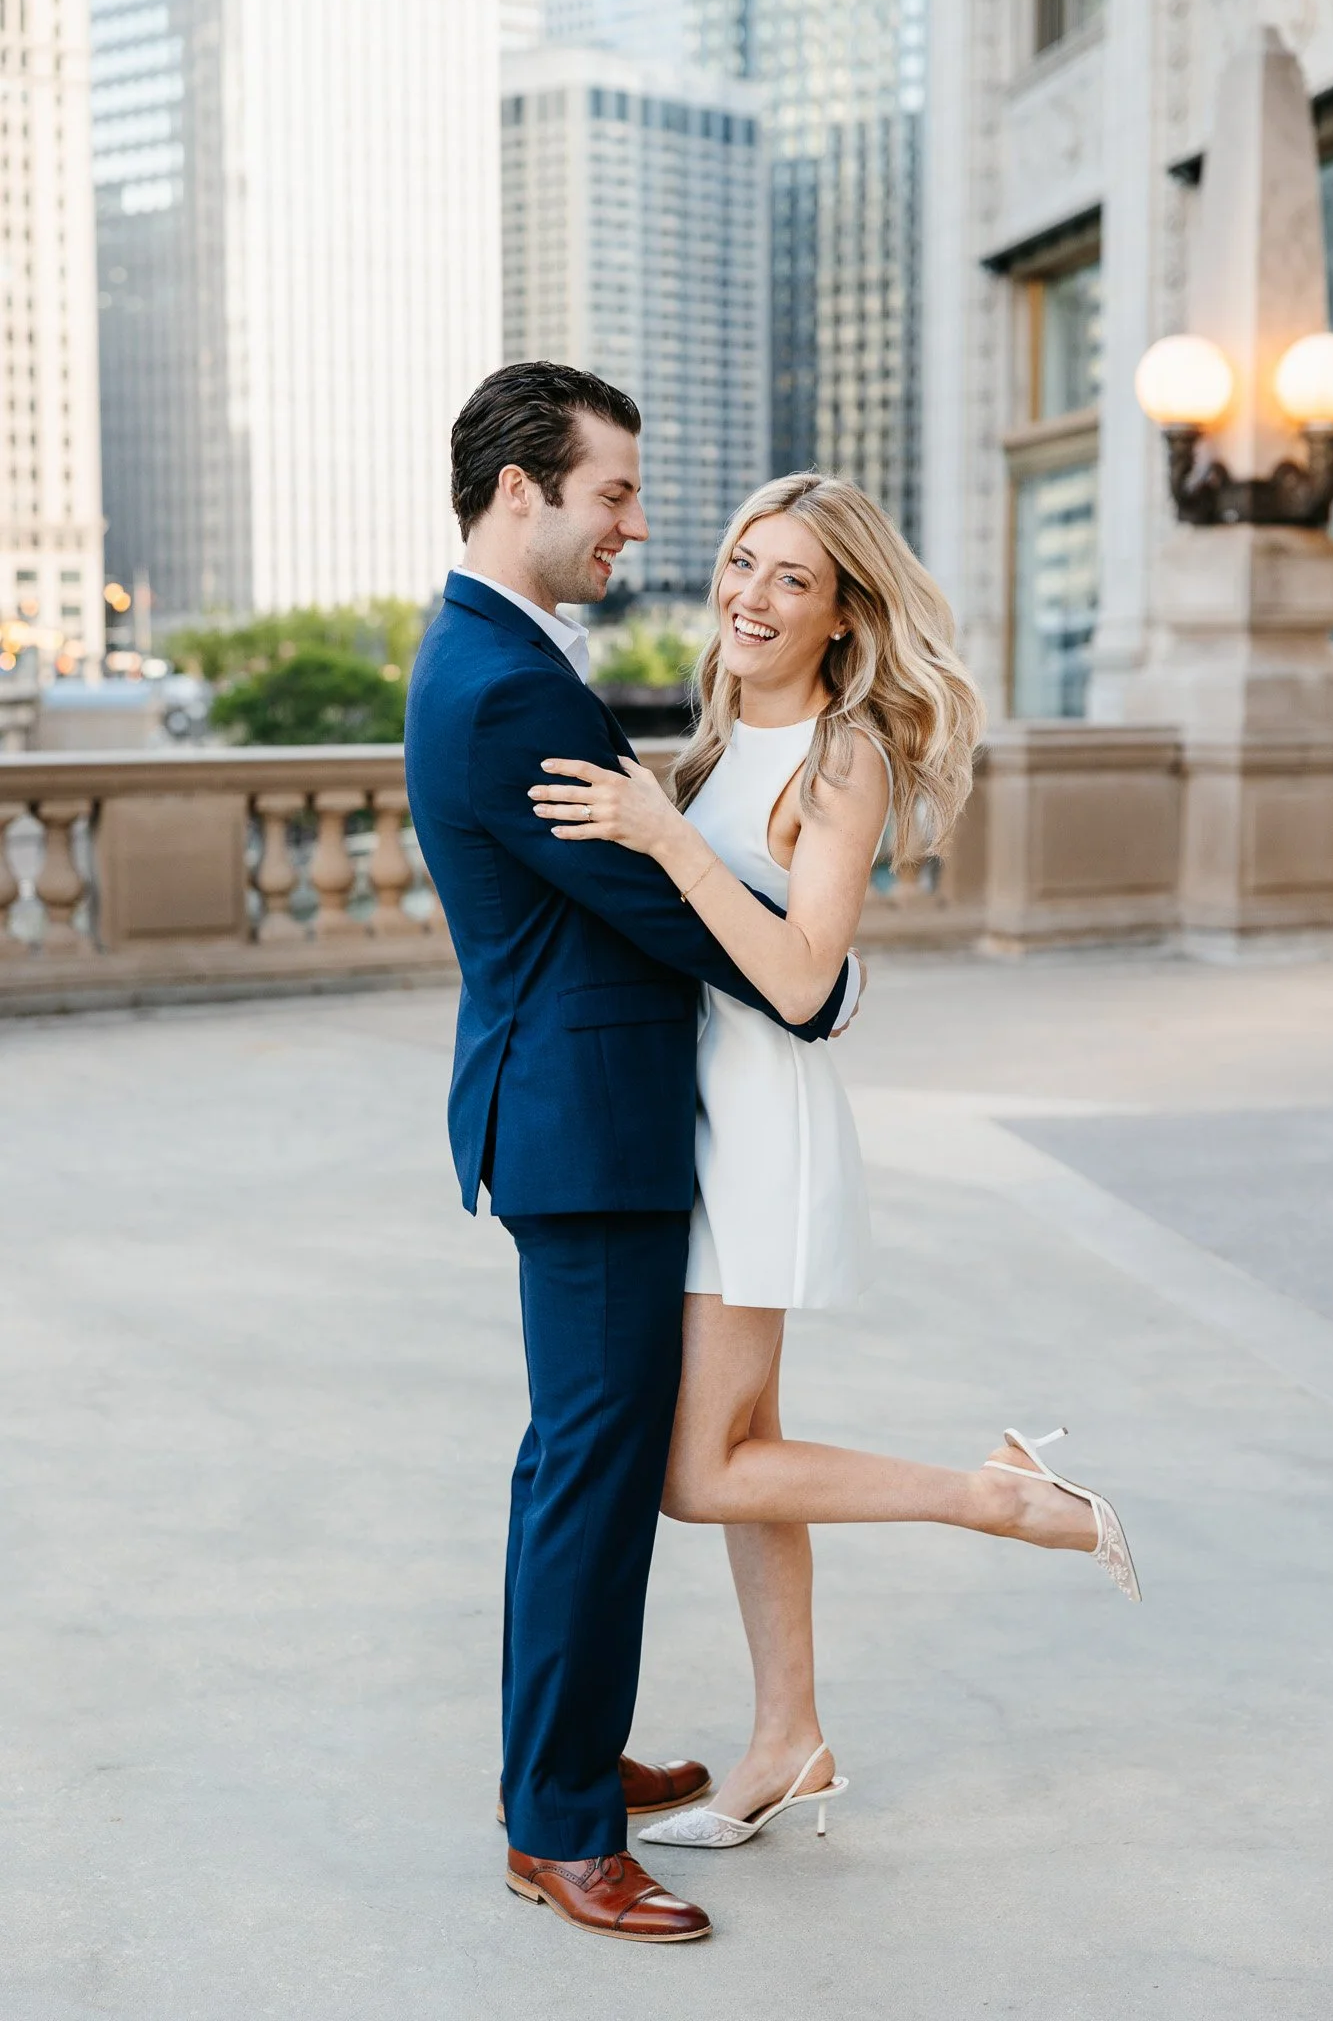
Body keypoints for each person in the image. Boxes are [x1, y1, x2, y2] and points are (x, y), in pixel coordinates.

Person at [526, 471, 1142, 1851]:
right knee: (756, 1456)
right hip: (694, 1123)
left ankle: (995, 1495)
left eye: (791, 579)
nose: (750, 596)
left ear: (844, 612)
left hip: (758, 1135)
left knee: (701, 1471)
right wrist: (665, 819)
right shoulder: (712, 740)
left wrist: (666, 836)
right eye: (742, 563)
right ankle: (789, 1739)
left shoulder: (840, 756)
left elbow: (802, 980)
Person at [404, 365, 862, 1943]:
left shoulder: (490, 649)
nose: (637, 525)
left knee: (580, 1469)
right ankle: (560, 1829)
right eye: (612, 493)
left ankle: (567, 1751)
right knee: (592, 1479)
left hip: (573, 1115)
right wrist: (819, 982)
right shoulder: (506, 683)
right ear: (522, 489)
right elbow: (650, 905)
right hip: (589, 1133)